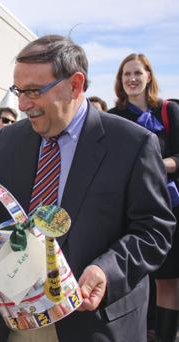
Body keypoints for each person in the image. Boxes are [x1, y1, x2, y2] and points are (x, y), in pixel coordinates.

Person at [0, 35, 175, 341]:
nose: (22, 104)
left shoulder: (133, 144)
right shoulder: (9, 140)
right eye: (19, 91)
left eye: (33, 91)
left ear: (75, 85)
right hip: (18, 318)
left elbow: (154, 230)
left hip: (94, 322)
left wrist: (107, 272)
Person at [108, 53, 179, 342]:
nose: (132, 79)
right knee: (133, 278)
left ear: (148, 76)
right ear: (120, 80)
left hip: (169, 207)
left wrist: (155, 165)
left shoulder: (169, 111)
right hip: (129, 208)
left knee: (168, 280)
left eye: (137, 73)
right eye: (126, 74)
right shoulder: (113, 117)